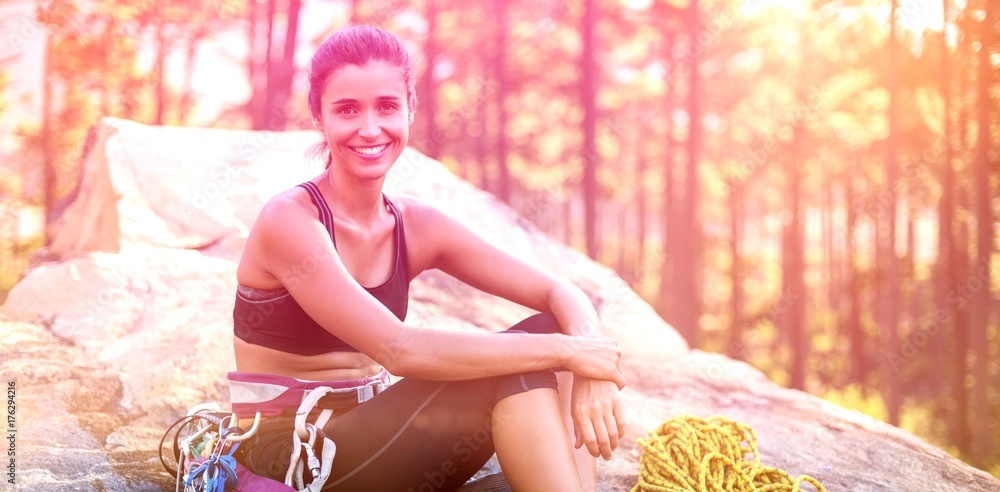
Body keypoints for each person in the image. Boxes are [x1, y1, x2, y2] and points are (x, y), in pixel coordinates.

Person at [231, 24, 626, 492]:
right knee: (526, 364)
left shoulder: (415, 225)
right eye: (347, 109)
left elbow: (559, 293)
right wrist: (573, 353)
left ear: (410, 109)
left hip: (381, 442)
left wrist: (587, 360)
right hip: (295, 454)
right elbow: (398, 349)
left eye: (387, 106)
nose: (370, 128)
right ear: (318, 116)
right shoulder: (290, 221)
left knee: (547, 333)